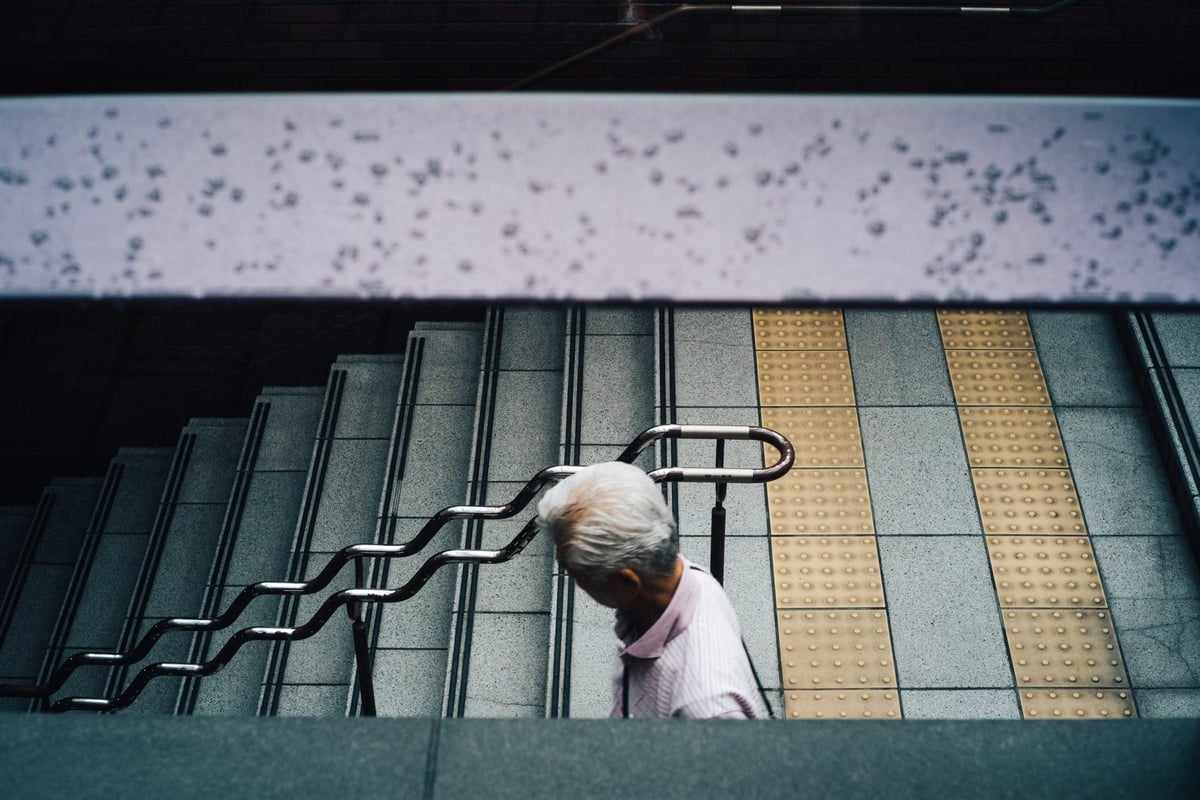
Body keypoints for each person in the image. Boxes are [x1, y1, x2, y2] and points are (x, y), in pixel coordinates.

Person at [536, 461, 764, 719]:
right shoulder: (690, 577)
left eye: (575, 573)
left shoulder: (706, 705)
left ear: (627, 583)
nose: (576, 582)